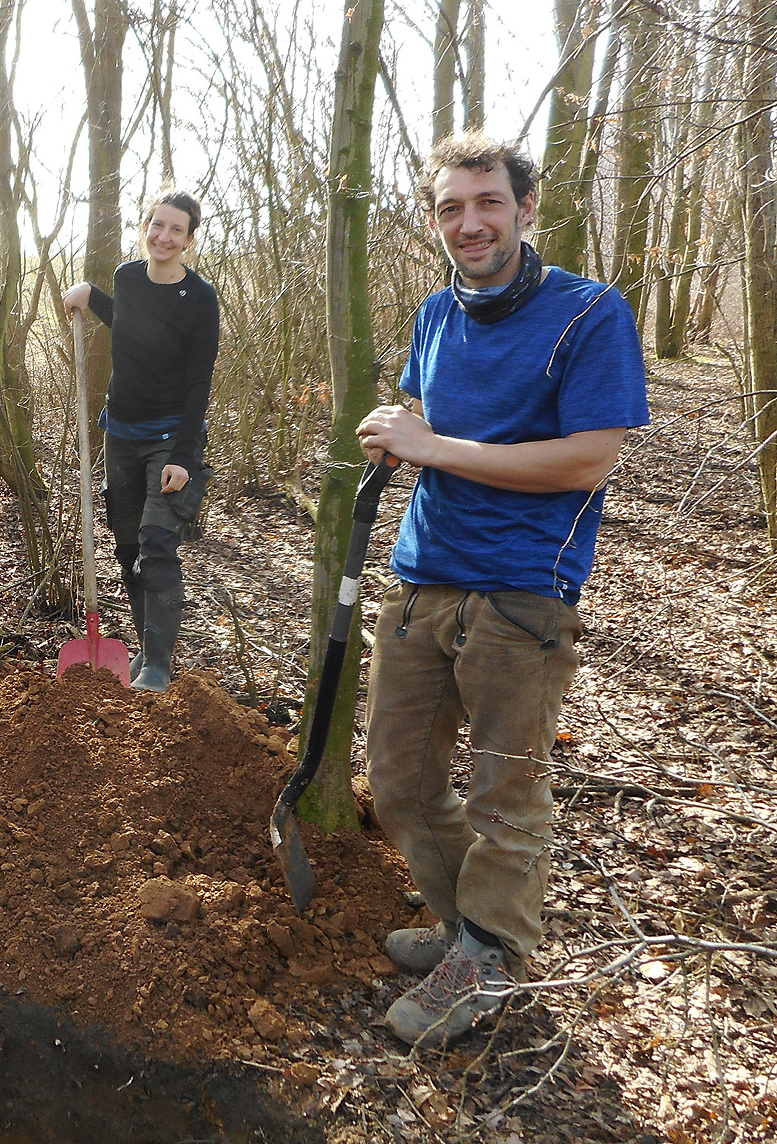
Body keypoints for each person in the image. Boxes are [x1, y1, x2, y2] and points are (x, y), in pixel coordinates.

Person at [355, 133, 649, 1048]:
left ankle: (488, 956)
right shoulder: (435, 313)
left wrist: (434, 448)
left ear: (525, 208)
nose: (470, 223)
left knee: (504, 795)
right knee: (399, 782)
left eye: (488, 202)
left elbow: (590, 459)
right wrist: (400, 429)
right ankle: (466, 930)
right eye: (451, 208)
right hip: (421, 576)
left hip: (523, 591)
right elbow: (428, 418)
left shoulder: (589, 312)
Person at [64, 190, 220, 691]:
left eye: (176, 229)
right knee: (129, 545)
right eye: (158, 225)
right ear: (145, 227)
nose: (164, 237)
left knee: (156, 544)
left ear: (189, 240)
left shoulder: (200, 299)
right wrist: (92, 295)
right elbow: (133, 327)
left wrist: (184, 456)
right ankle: (143, 654)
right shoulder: (127, 278)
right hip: (121, 434)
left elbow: (199, 381)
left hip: (170, 438)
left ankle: (157, 664)